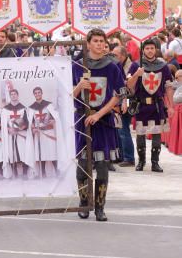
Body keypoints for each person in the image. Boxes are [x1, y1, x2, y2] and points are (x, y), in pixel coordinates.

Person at [73, 28, 126, 222]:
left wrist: (99, 114)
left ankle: (100, 207)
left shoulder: (112, 66)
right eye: (94, 41)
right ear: (88, 44)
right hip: (82, 121)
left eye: (101, 41)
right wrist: (80, 86)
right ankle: (84, 204)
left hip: (103, 122)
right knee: (82, 166)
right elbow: (68, 95)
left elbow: (119, 95)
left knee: (102, 166)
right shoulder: (77, 66)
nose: (98, 44)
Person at [127, 38, 174, 172]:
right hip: (141, 105)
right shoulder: (136, 65)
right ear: (143, 50)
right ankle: (141, 162)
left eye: (152, 48)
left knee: (157, 134)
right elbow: (129, 85)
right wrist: (137, 74)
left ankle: (155, 162)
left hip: (157, 105)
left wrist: (170, 106)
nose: (149, 50)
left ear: (156, 50)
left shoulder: (163, 66)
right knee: (140, 134)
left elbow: (168, 86)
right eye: (147, 48)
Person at [27, 87, 60, 178]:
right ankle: (43, 174)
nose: (37, 94)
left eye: (39, 92)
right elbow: (30, 122)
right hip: (39, 134)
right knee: (40, 154)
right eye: (36, 93)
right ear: (34, 95)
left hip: (49, 132)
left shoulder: (48, 105)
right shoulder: (32, 107)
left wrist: (52, 121)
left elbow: (55, 118)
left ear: (42, 93)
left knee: (52, 153)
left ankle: (58, 173)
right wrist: (33, 128)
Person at [112, 45, 135, 167]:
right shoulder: (118, 65)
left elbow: (127, 86)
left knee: (124, 130)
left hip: (127, 100)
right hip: (120, 100)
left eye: (116, 55)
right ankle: (121, 156)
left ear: (123, 55)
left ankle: (129, 157)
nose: (114, 57)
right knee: (119, 129)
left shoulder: (131, 66)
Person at [1, 89, 32, 179]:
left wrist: (19, 129)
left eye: (15, 94)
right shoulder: (5, 109)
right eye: (12, 94)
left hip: (21, 135)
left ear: (18, 95)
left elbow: (26, 122)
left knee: (23, 153)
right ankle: (14, 173)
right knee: (11, 153)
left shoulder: (23, 108)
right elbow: (3, 123)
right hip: (10, 135)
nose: (13, 96)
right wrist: (9, 129)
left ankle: (25, 173)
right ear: (10, 96)